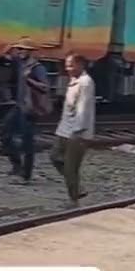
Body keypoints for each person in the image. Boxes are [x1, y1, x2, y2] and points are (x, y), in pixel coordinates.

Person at [0, 38, 48, 184]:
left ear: (30, 51)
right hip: (19, 106)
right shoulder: (21, 63)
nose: (19, 51)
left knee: (27, 143)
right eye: (19, 49)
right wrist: (13, 44)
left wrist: (29, 79)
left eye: (22, 49)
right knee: (5, 134)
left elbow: (44, 87)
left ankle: (26, 175)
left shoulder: (37, 68)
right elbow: (5, 54)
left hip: (30, 109)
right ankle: (17, 165)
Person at [50, 53, 95, 207]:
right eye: (66, 65)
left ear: (80, 65)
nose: (67, 68)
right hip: (64, 129)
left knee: (71, 167)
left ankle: (74, 199)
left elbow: (83, 109)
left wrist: (77, 132)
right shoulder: (74, 80)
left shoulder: (86, 83)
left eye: (71, 65)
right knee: (55, 156)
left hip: (77, 133)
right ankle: (77, 187)